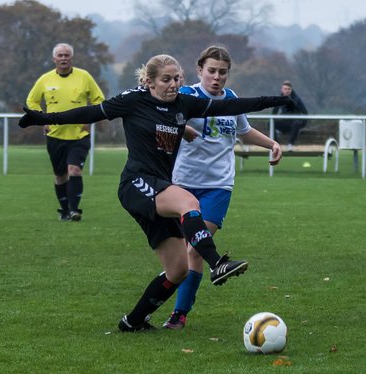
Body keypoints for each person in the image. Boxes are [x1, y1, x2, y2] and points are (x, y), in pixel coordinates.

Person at [19, 54, 292, 331]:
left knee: (178, 269)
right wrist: (44, 117)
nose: (173, 85)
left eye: (176, 79)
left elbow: (233, 105)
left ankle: (133, 321)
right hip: (136, 183)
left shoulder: (184, 104)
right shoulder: (133, 100)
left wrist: (276, 100)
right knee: (188, 201)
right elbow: (90, 112)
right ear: (149, 82)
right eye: (166, 79)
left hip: (159, 187)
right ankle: (217, 263)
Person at [163, 46, 283, 330]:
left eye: (222, 72)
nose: (217, 77)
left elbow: (244, 131)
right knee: (183, 253)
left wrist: (272, 143)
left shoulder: (231, 100)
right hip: (182, 184)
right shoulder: (187, 97)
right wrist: (182, 129)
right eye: (212, 71)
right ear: (199, 70)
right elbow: (162, 119)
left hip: (218, 186)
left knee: (194, 249)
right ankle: (182, 296)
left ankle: (179, 314)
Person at [25, 43, 105, 221]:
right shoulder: (45, 79)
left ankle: (75, 210)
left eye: (66, 55)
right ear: (54, 59)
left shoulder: (84, 77)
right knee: (60, 175)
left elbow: (99, 99)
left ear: (71, 58)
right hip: (55, 136)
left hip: (79, 136)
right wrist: (41, 119)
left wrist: (89, 119)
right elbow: (32, 101)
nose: (63, 58)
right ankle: (65, 210)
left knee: (74, 170)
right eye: (60, 55)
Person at [276, 80, 309, 149]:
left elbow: (305, 112)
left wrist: (302, 125)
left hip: (295, 123)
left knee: (297, 123)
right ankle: (275, 144)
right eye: (285, 89)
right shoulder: (279, 99)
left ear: (291, 90)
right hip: (285, 123)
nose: (287, 91)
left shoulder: (296, 99)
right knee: (270, 123)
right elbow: (274, 112)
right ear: (282, 90)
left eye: (289, 89)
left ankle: (290, 144)